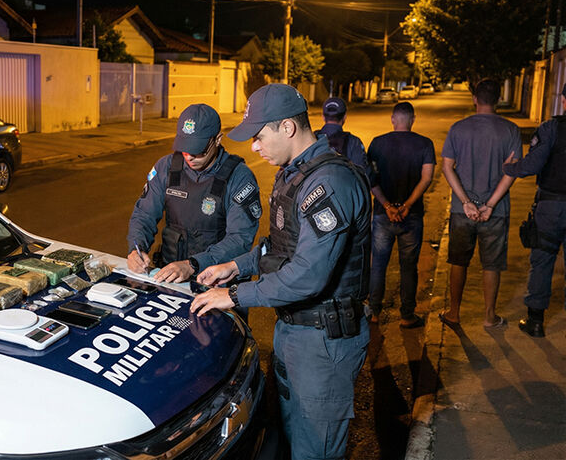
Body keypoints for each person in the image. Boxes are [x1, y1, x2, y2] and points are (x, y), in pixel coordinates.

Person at [191, 84, 370, 460]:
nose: (254, 147)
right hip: (294, 329)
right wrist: (235, 266)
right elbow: (280, 248)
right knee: (287, 438)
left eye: (258, 137)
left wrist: (236, 295)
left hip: (323, 341)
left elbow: (308, 274)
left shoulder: (330, 183)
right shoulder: (295, 175)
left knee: (314, 450)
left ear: (287, 127)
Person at [126, 103, 261, 283]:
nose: (189, 157)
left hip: (218, 281)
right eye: (185, 148)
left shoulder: (239, 177)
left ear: (217, 140)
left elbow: (240, 239)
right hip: (172, 275)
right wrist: (137, 248)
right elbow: (144, 214)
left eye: (198, 150)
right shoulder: (167, 167)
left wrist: (192, 265)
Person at [439, 79, 521, 330]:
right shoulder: (510, 130)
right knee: (492, 264)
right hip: (495, 213)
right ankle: (489, 316)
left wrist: (465, 202)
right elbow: (512, 171)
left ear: (475, 99)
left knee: (458, 261)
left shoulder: (458, 129)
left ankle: (454, 313)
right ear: (497, 99)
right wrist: (490, 204)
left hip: (461, 210)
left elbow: (446, 167)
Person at [502, 83, 566, 338]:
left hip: (551, 207)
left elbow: (533, 164)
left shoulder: (552, 128)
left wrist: (510, 168)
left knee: (542, 261)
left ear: (563, 100)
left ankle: (535, 322)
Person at [367, 102, 435, 327]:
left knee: (378, 265)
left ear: (393, 119)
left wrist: (387, 205)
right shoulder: (425, 144)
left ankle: (374, 312)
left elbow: (371, 180)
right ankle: (406, 315)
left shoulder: (377, 143)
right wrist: (406, 205)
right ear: (413, 119)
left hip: (382, 215)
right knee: (408, 266)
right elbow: (426, 178)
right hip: (411, 215)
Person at [315, 96, 368, 170]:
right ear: (345, 116)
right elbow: (363, 172)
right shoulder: (354, 142)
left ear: (323, 116)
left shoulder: (312, 138)